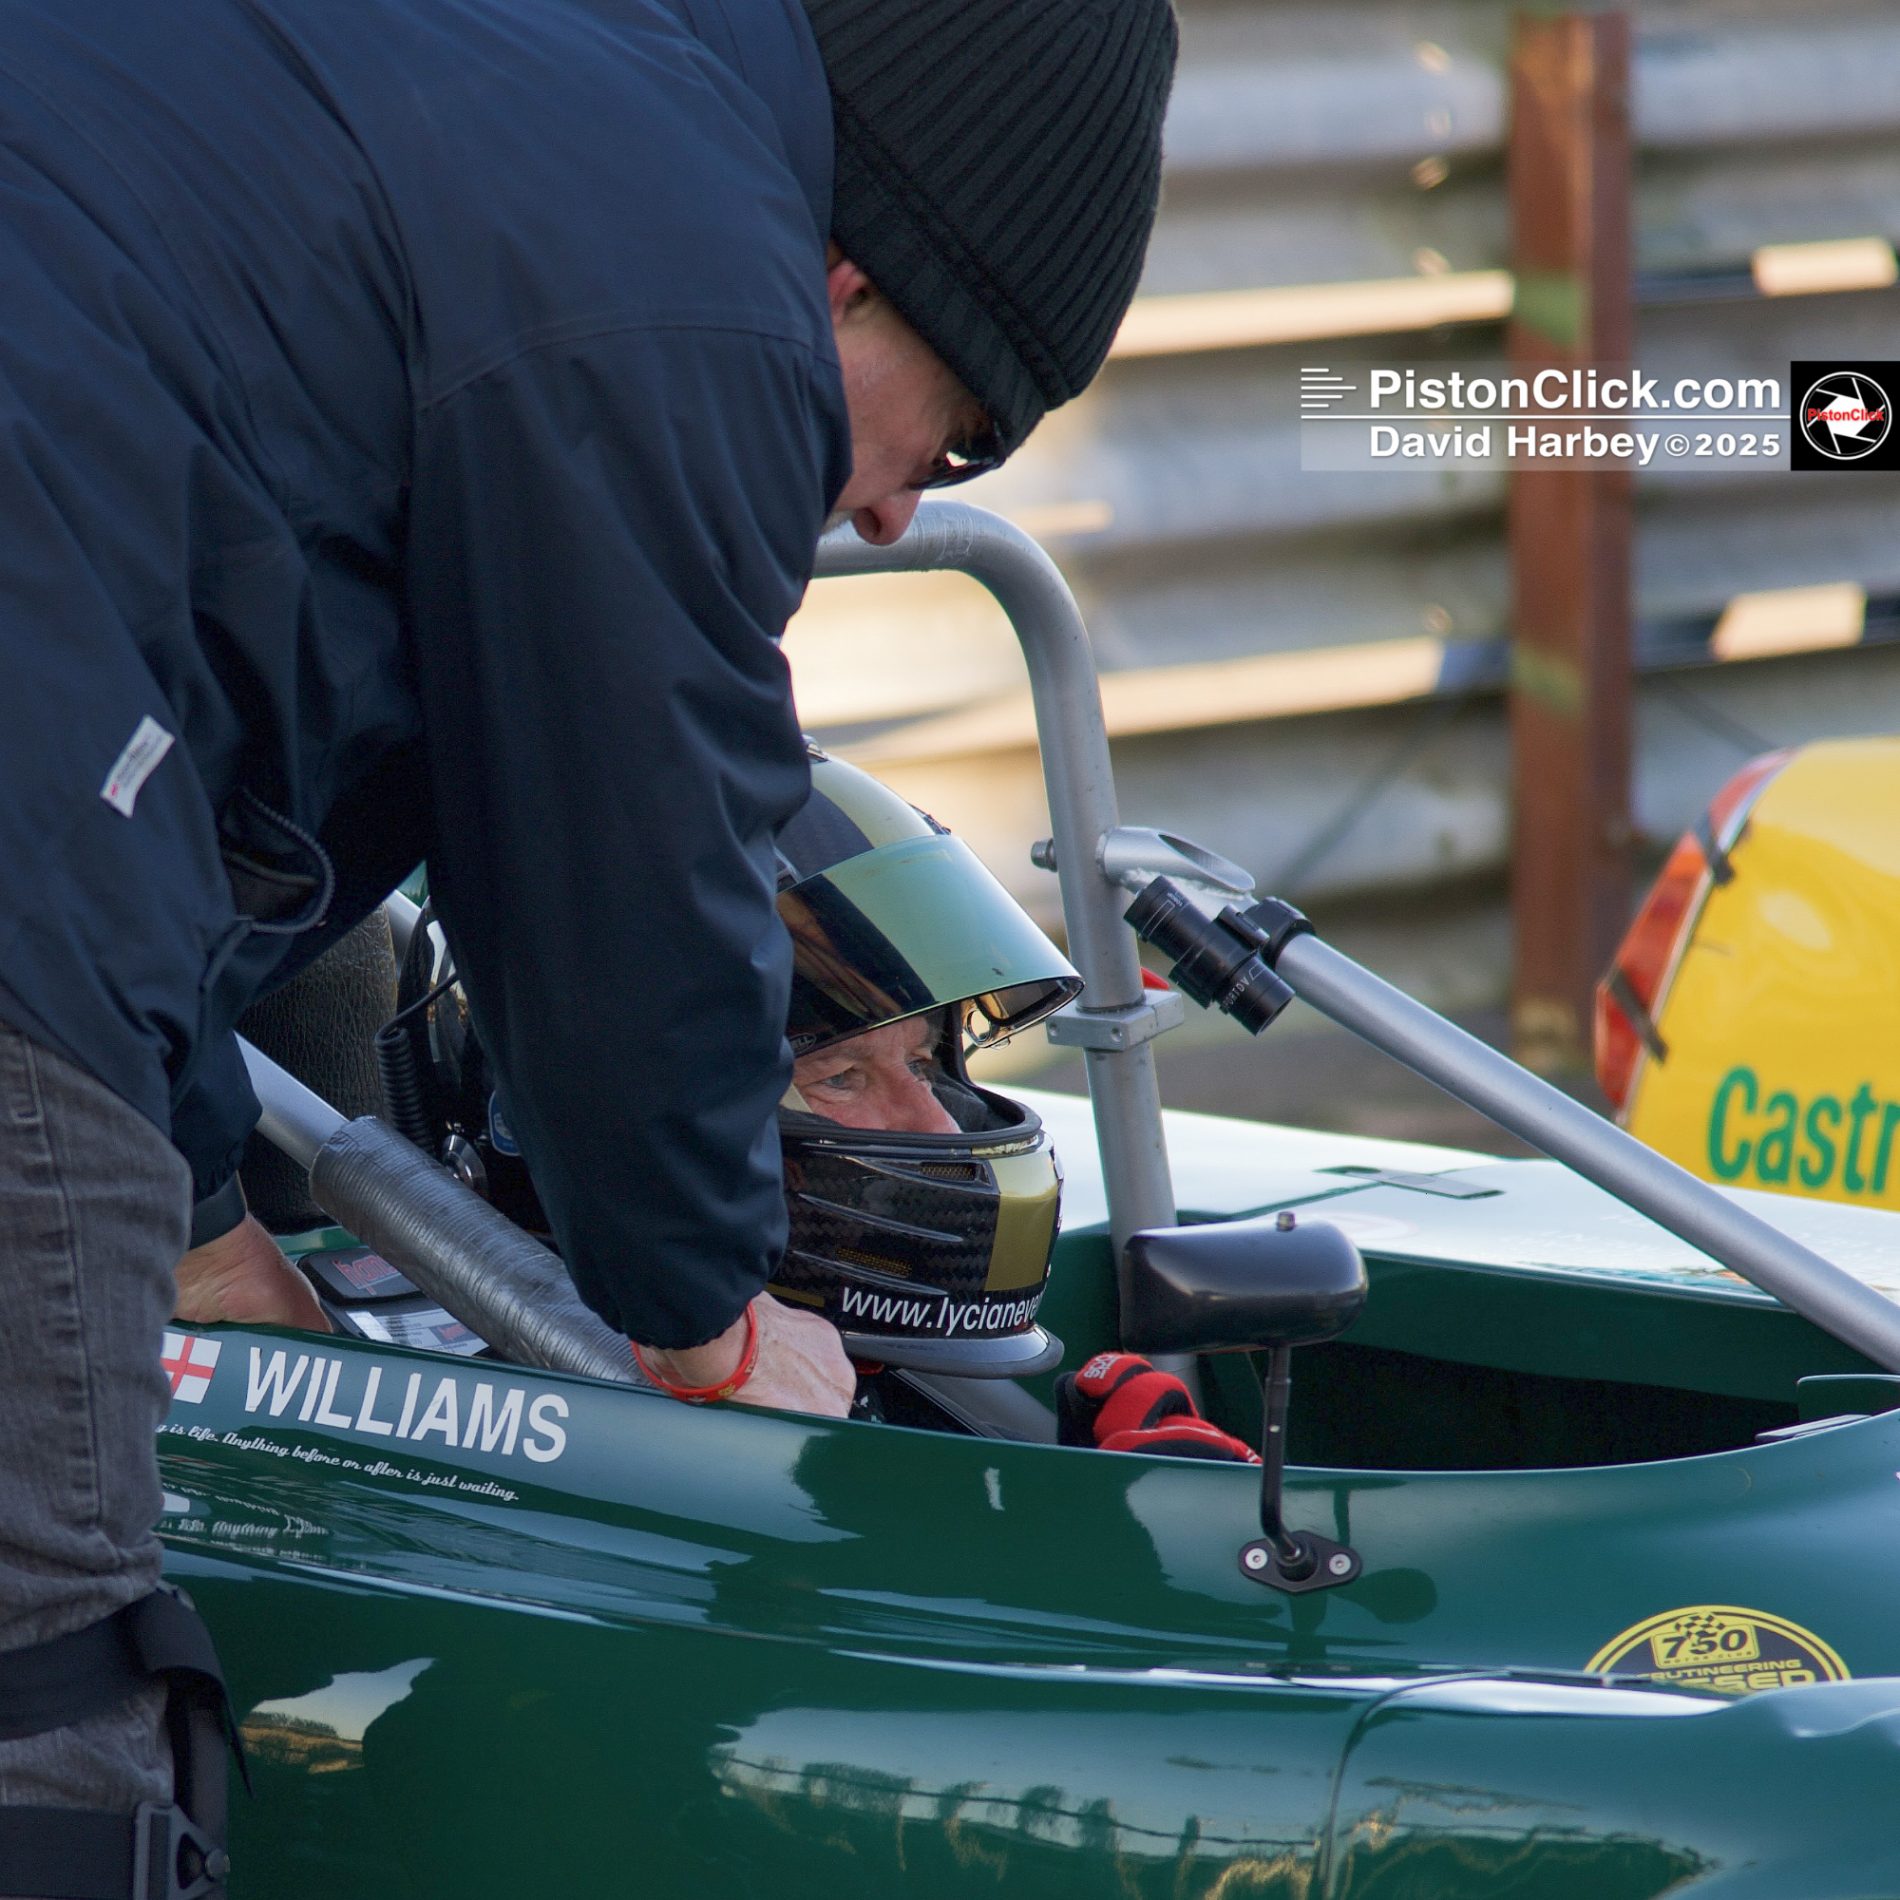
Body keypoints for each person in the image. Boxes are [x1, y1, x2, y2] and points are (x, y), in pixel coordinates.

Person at [0, 0, 1177, 1882]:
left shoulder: (514, 93)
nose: (893, 512)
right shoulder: (684, 276)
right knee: (51, 1685)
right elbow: (622, 833)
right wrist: (706, 1325)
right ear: (850, 277)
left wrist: (206, 1224)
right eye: (952, 442)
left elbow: (185, 773)